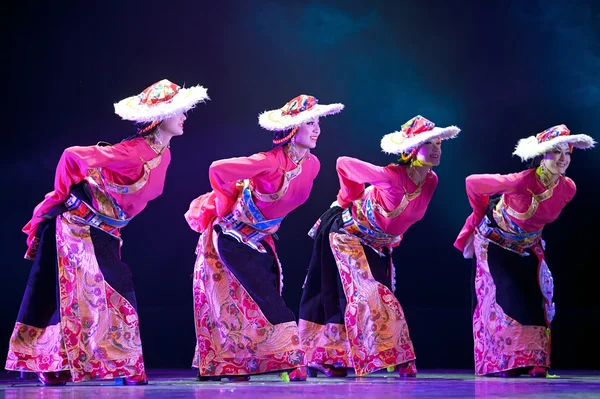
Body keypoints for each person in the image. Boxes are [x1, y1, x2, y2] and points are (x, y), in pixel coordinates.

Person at [6, 79, 209, 386]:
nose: (184, 117)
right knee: (99, 291)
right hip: (76, 225)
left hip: (104, 231)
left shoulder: (162, 154)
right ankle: (119, 367)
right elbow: (72, 155)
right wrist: (62, 196)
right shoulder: (132, 152)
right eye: (178, 111)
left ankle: (57, 365)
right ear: (159, 118)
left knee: (82, 295)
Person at [185, 94, 343, 382]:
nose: (317, 128)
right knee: (260, 300)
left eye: (318, 122)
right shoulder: (268, 162)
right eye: (310, 122)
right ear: (293, 129)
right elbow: (217, 170)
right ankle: (292, 360)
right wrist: (223, 204)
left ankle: (239, 366)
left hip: (259, 240)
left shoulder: (313, 165)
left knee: (246, 304)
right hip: (230, 237)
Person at [298, 116, 461, 378]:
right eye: (427, 143)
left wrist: (392, 236)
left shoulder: (431, 181)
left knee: (358, 298)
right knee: (369, 295)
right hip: (347, 234)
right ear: (410, 149)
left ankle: (330, 358)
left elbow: (402, 218)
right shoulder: (391, 177)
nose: (436, 148)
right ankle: (400, 359)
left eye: (439, 143)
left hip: (377, 244)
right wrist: (346, 198)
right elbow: (343, 164)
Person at [453, 124, 595, 377]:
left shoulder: (568, 188)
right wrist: (478, 213)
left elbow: (537, 219)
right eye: (556, 152)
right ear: (543, 155)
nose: (563, 159)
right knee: (505, 296)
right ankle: (506, 361)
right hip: (494, 240)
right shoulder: (521, 181)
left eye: (567, 153)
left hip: (527, 245)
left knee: (538, 297)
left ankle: (535, 361)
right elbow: (472, 183)